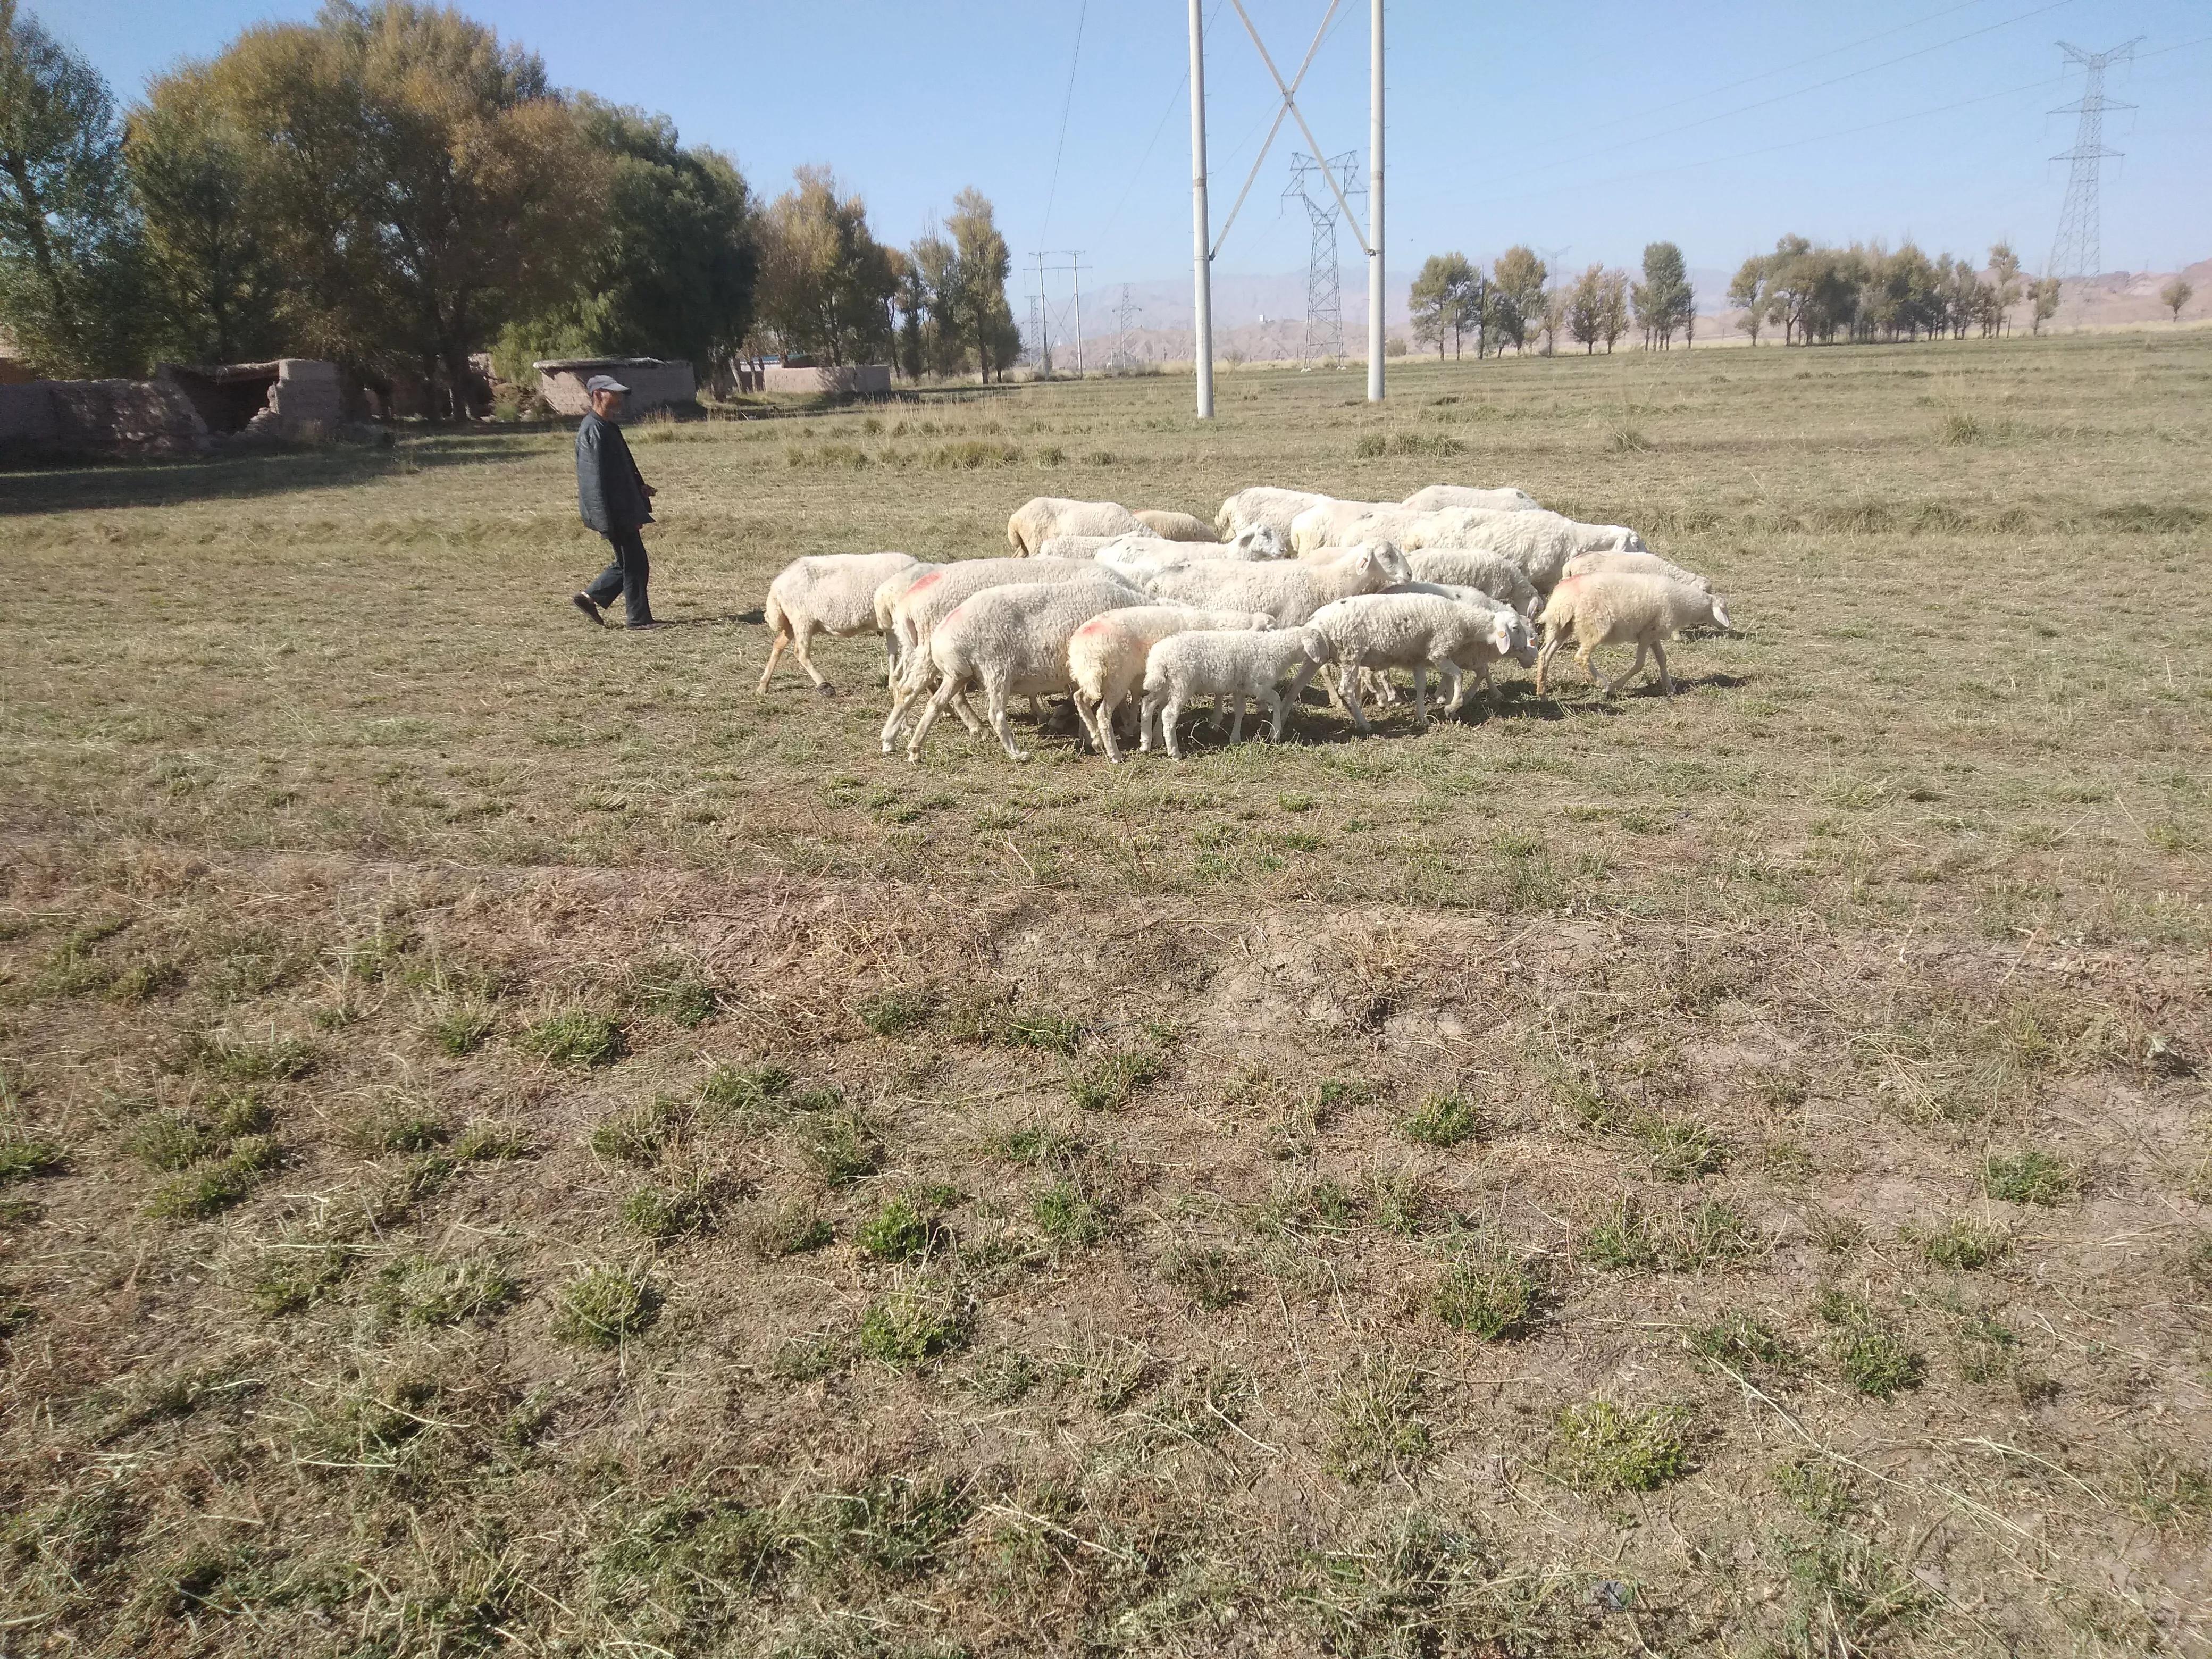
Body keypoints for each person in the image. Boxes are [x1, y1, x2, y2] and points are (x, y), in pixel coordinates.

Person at [571, 374, 659, 629]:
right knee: (634, 564)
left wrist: (638, 488)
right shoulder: (593, 429)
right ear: (598, 395)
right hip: (614, 513)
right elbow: (593, 481)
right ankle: (638, 619)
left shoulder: (608, 426)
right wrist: (604, 521)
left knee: (630, 562)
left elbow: (619, 471)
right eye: (614, 393)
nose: (620, 398)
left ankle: (590, 597)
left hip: (623, 509)